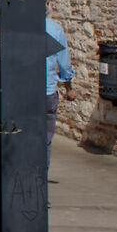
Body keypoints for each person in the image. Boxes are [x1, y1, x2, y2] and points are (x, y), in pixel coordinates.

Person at [44, 17, 74, 165]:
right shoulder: (54, 29)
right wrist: (68, 87)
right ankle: (40, 176)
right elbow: (64, 64)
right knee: (45, 138)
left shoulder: (18, 26)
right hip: (47, 91)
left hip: (22, 93)